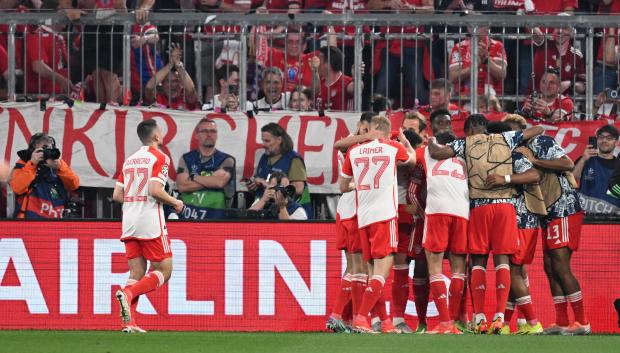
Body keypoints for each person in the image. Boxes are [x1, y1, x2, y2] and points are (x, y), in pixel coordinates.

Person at [428, 115, 544, 334]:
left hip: (479, 207)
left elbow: (436, 153)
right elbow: (537, 129)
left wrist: (431, 141)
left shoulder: (465, 143)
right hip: (504, 206)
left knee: (478, 261)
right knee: (503, 260)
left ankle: (480, 317)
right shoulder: (506, 140)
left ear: (470, 128)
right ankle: (499, 318)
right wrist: (507, 175)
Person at [511, 120, 590, 335]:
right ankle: (562, 322)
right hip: (548, 212)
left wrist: (535, 160)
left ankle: (582, 321)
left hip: (563, 207)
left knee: (561, 265)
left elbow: (567, 164)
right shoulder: (514, 151)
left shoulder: (541, 141)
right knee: (549, 266)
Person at [339, 115, 416, 333]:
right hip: (384, 215)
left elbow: (343, 186)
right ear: (387, 131)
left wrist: (362, 184)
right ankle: (361, 318)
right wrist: (406, 143)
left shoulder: (354, 151)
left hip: (363, 216)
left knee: (373, 272)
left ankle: (384, 322)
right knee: (383, 271)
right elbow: (411, 162)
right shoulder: (392, 147)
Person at [113, 119, 184, 333]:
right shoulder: (160, 157)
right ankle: (128, 294)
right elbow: (154, 190)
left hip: (129, 220)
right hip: (150, 220)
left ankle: (129, 323)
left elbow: (117, 195)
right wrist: (175, 202)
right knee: (165, 269)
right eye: (160, 131)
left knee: (136, 272)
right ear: (156, 136)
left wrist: (135, 199)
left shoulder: (129, 160)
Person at [416, 130, 469, 335]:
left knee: (435, 268)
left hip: (437, 212)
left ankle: (445, 322)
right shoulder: (465, 158)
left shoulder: (427, 152)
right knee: (458, 269)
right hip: (462, 213)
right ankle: (453, 324)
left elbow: (408, 159)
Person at [327, 113, 373, 333]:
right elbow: (340, 144)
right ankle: (355, 319)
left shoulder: (356, 144)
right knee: (360, 268)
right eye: (366, 129)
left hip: (345, 209)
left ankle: (340, 316)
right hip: (354, 209)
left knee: (352, 267)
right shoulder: (357, 145)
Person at [176, 118, 236, 220]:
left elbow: (219, 183)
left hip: (216, 219)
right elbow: (182, 186)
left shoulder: (227, 159)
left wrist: (193, 176)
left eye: (213, 131)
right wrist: (211, 179)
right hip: (188, 218)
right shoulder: (186, 158)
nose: (209, 134)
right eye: (205, 131)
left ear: (216, 135)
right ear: (196, 135)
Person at [248, 122, 312, 217]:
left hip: (292, 212)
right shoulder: (264, 158)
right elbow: (264, 181)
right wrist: (255, 185)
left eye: (267, 141)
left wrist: (265, 184)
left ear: (279, 140)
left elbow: (298, 189)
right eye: (263, 141)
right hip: (266, 210)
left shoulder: (293, 159)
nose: (263, 144)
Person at [9, 133, 80, 219]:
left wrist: (60, 167)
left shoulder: (58, 165)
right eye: (42, 150)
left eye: (49, 149)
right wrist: (32, 164)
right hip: (29, 223)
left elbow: (74, 185)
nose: (46, 153)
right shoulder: (24, 163)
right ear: (33, 150)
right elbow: (17, 188)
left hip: (55, 223)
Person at [449, 22, 507, 97]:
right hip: (464, 99)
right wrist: (474, 66)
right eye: (472, 26)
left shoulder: (497, 46)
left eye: (480, 26)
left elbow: (502, 74)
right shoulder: (459, 47)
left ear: (488, 28)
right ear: (468, 28)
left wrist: (485, 60)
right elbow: (453, 77)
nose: (475, 29)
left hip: (491, 100)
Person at [574, 125, 620, 212]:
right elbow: (571, 179)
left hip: (611, 222)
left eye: (609, 138)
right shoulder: (585, 160)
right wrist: (583, 159)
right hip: (584, 220)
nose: (604, 140)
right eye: (601, 137)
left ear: (616, 142)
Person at [144, 43, 200, 110]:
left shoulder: (186, 99)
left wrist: (178, 64)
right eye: (168, 81)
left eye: (176, 81)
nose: (172, 85)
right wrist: (170, 64)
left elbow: (191, 90)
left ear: (182, 84)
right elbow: (149, 87)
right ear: (162, 84)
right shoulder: (157, 99)